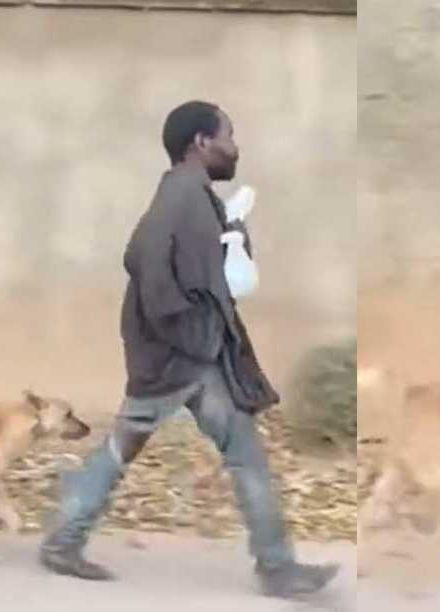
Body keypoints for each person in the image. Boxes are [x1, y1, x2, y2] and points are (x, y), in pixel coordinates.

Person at [38, 100, 339, 599]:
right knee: (218, 455)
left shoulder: (193, 196)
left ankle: (64, 542)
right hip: (180, 358)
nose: (234, 146)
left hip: (188, 356)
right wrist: (183, 330)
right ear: (201, 142)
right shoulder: (181, 195)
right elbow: (143, 259)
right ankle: (277, 568)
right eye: (228, 135)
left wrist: (233, 236)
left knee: (148, 451)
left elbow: (205, 271)